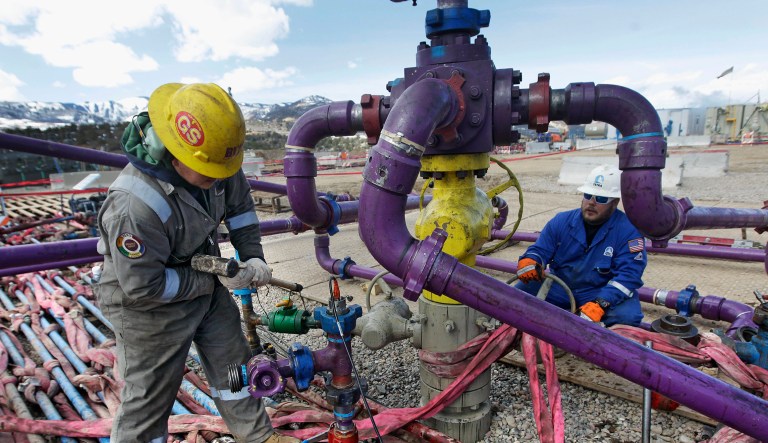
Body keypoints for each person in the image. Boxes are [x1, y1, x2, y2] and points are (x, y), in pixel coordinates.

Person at [96, 83, 296, 442]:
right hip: (146, 307)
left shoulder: (215, 159)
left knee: (234, 370)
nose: (220, 177)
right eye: (211, 172)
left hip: (206, 284)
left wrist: (251, 256)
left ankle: (258, 438)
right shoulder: (134, 206)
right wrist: (213, 281)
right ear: (176, 155)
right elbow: (144, 285)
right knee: (148, 400)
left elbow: (240, 211)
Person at [516, 164, 646, 327]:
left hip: (599, 291)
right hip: (560, 288)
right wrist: (531, 260)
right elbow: (540, 250)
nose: (591, 202)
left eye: (601, 198)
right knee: (516, 295)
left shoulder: (628, 231)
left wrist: (601, 303)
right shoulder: (561, 221)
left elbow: (628, 276)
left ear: (615, 202)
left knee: (628, 317)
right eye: (588, 195)